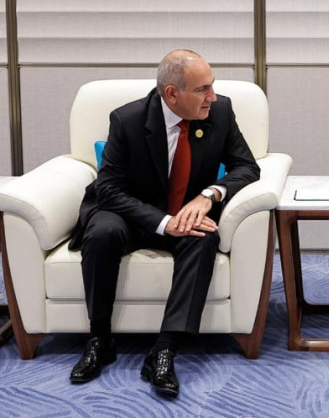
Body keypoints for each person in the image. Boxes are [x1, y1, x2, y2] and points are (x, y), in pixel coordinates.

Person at [67, 49, 260, 398]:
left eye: (212, 86)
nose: (212, 97)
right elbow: (108, 189)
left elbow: (246, 166)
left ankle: (165, 348)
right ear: (172, 93)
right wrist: (163, 222)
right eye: (202, 89)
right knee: (102, 232)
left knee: (204, 236)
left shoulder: (219, 112)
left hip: (184, 210)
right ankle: (100, 339)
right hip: (128, 212)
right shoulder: (128, 119)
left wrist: (209, 195)